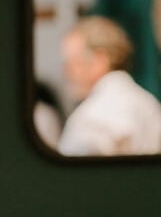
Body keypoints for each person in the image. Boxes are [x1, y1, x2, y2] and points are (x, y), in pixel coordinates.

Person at [58, 15, 161, 156]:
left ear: (100, 60)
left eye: (73, 63)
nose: (67, 73)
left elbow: (74, 175)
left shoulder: (93, 116)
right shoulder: (149, 103)